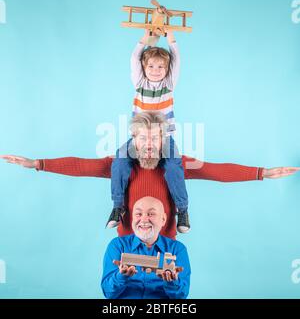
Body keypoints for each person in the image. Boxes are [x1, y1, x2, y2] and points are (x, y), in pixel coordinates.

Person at [1, 111, 299, 240]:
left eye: (153, 139)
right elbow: (80, 165)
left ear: (162, 141)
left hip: (165, 239)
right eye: (141, 139)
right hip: (128, 239)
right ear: (133, 140)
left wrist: (263, 173)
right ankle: (118, 212)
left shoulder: (177, 164)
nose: (147, 145)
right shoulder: (120, 164)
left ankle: (183, 215)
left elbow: (217, 170)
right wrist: (36, 163)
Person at [109, 29, 190, 234]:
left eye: (161, 66)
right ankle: (117, 207)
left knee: (173, 166)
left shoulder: (169, 84)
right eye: (151, 66)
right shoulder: (139, 83)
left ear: (167, 69)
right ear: (144, 68)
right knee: (119, 160)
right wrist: (146, 37)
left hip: (164, 138)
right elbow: (135, 57)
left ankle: (183, 210)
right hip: (140, 139)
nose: (156, 70)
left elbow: (177, 58)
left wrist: (170, 36)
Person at [101, 196, 191, 299]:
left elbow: (181, 296)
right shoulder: (117, 245)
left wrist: (172, 282)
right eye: (138, 214)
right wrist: (121, 276)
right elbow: (108, 293)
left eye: (151, 214)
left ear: (163, 219)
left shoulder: (178, 249)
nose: (143, 220)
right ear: (132, 219)